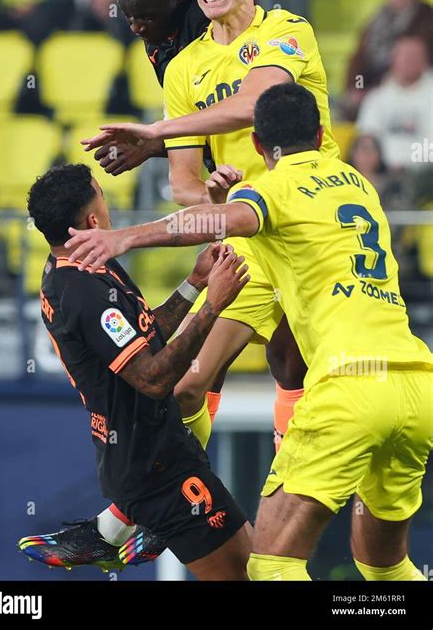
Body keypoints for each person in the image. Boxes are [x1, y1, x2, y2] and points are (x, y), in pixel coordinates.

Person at [64, 83, 433, 582]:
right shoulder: (357, 184)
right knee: (385, 569)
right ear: (322, 134)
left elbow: (222, 221)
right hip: (416, 382)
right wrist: (219, 198)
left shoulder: (272, 191)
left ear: (258, 145)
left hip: (350, 388)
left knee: (272, 566)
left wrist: (125, 235)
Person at [83, 0, 339, 457]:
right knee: (186, 386)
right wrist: (213, 203)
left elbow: (254, 102)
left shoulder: (287, 31)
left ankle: (289, 485)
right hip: (247, 235)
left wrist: (155, 132)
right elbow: (183, 186)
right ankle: (178, 507)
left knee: (295, 363)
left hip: (314, 222)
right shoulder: (184, 68)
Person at [22, 163, 251, 580]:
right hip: (155, 470)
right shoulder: (84, 292)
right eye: (102, 196)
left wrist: (194, 283)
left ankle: (108, 531)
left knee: (248, 566)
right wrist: (214, 305)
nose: (107, 206)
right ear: (92, 220)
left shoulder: (83, 266)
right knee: (245, 573)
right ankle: (111, 531)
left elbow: (145, 335)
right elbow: (152, 377)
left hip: (155, 453)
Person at [344, 0, 433, 119]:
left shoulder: (426, 19)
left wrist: (381, 87)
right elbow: (359, 55)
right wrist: (355, 86)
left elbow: (416, 60)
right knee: (349, 105)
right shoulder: (377, 18)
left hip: (405, 82)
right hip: (372, 81)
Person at [357, 36, 432, 170]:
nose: (410, 60)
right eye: (406, 56)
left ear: (425, 61)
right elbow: (367, 141)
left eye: (415, 56)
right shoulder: (376, 98)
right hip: (384, 172)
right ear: (393, 60)